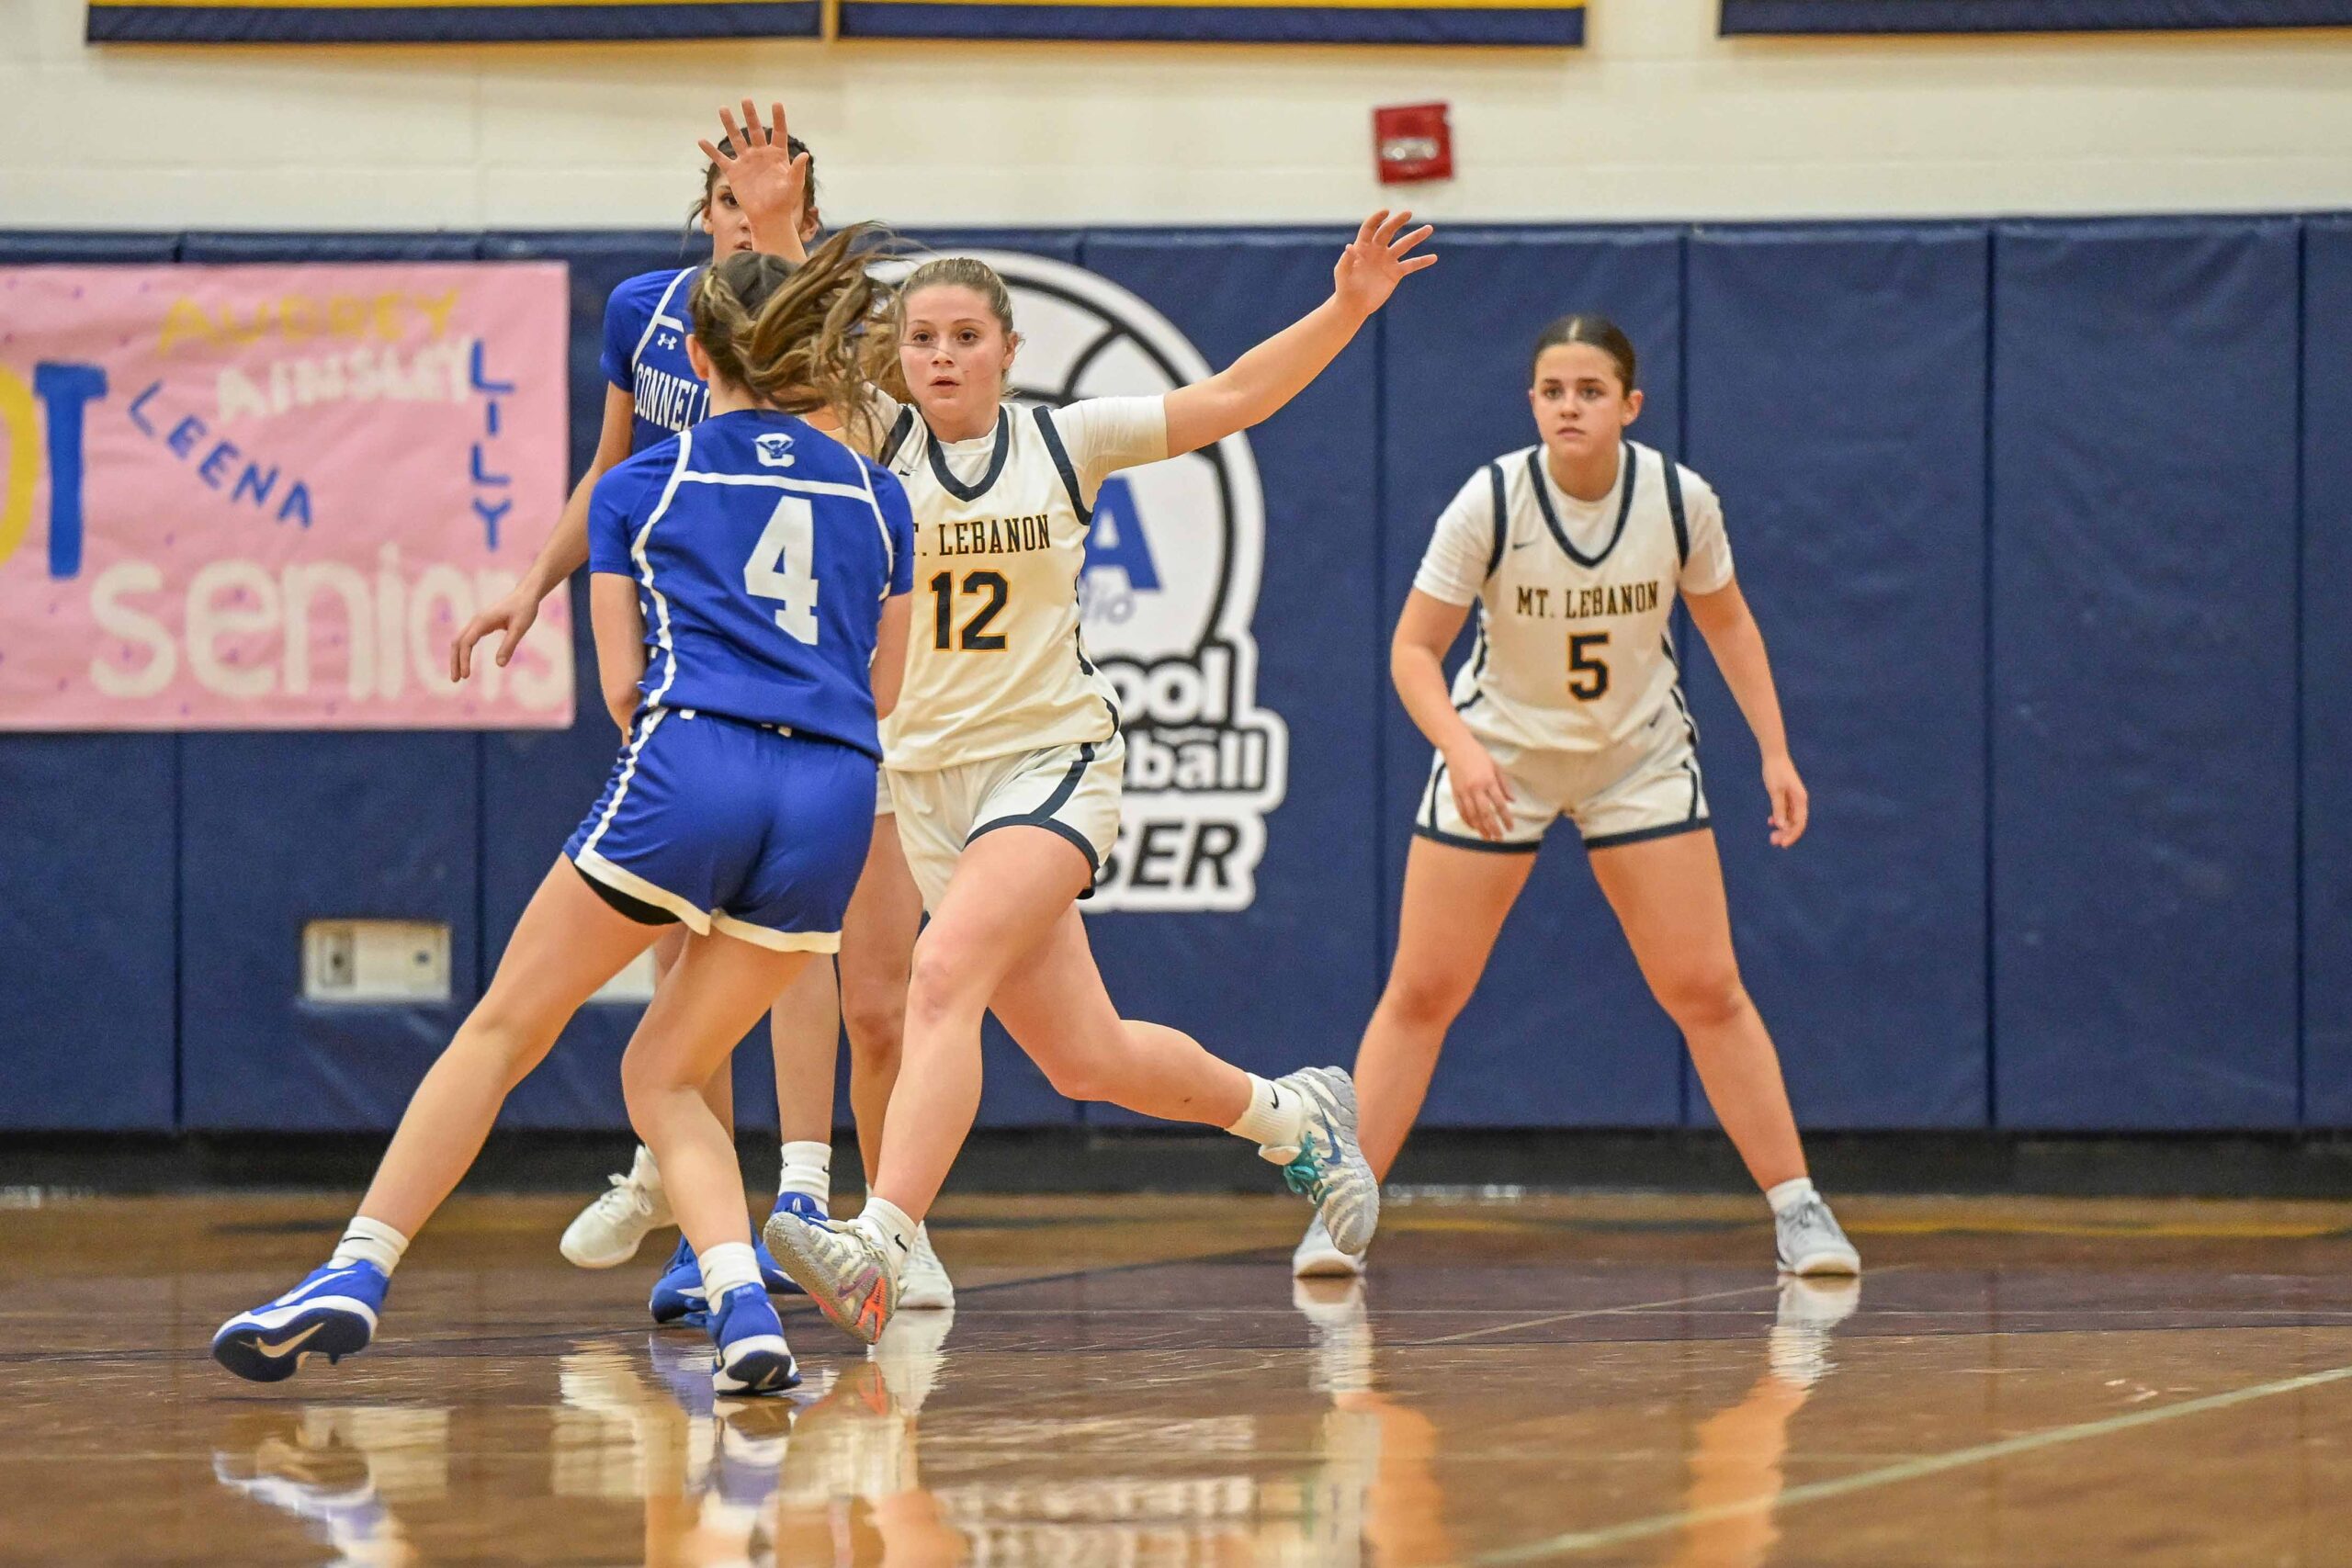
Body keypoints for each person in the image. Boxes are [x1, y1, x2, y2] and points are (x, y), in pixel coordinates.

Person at [214, 236, 915, 1399]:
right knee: (667, 1072)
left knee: (504, 1029)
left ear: (696, 357)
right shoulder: (880, 495)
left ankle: (355, 1270)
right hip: (832, 795)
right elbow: (883, 689)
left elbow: (626, 688)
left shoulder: (644, 482)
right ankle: (744, 1307)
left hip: (696, 763)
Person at [763, 212, 1438, 1345]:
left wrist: (1344, 307)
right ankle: (1292, 1117)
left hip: (1052, 762)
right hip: (928, 783)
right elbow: (786, 348)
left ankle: (881, 1241)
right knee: (1088, 1057)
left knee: (940, 974)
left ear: (1007, 349)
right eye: (922, 337)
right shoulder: (873, 439)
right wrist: (779, 234)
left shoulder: (1064, 440)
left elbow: (1233, 398)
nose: (941, 355)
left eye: (965, 336)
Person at [450, 105, 949, 1318]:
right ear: (701, 213)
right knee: (683, 945)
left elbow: (839, 427)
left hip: (807, 659)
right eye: (726, 201)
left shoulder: (835, 327)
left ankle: (802, 1195)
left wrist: (784, 231)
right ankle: (691, 1210)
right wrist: (533, 583)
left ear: (801, 215)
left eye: (766, 203)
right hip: (689, 649)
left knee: (801, 951)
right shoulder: (645, 313)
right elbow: (609, 473)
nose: (742, 220)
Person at [1289, 314, 1860, 1281]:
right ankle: (1340, 1213)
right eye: (1553, 391)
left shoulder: (1678, 500)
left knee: (1706, 988)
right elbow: (1413, 651)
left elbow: (1729, 626)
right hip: (1500, 760)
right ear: (1531, 403)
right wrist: (1460, 749)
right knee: (1422, 990)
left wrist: (1775, 750)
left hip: (1637, 761)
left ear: (1629, 405)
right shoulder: (1490, 500)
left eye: (1590, 391)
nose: (1569, 407)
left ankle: (1798, 1208)